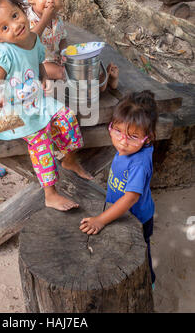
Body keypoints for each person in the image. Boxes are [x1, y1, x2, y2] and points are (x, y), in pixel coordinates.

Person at [0, 0, 93, 212]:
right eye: (4, 28)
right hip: (12, 112)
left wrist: (44, 77)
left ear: (22, 9)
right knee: (41, 140)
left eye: (15, 15)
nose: (15, 25)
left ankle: (69, 158)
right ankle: (50, 193)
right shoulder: (4, 54)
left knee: (67, 117)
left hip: (36, 100)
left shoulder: (34, 40)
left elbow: (39, 61)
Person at [80, 90, 158, 286]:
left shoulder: (139, 163)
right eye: (118, 131)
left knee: (140, 250)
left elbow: (131, 198)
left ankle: (149, 281)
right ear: (111, 126)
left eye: (132, 136)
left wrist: (100, 220)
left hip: (137, 217)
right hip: (119, 210)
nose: (123, 141)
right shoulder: (129, 148)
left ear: (147, 138)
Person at [26, 0, 119, 90]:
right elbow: (30, 41)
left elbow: (62, 38)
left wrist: (67, 54)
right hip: (36, 63)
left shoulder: (57, 19)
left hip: (56, 59)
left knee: (79, 66)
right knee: (64, 73)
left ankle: (102, 78)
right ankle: (99, 85)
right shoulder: (26, 19)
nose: (50, 0)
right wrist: (44, 19)